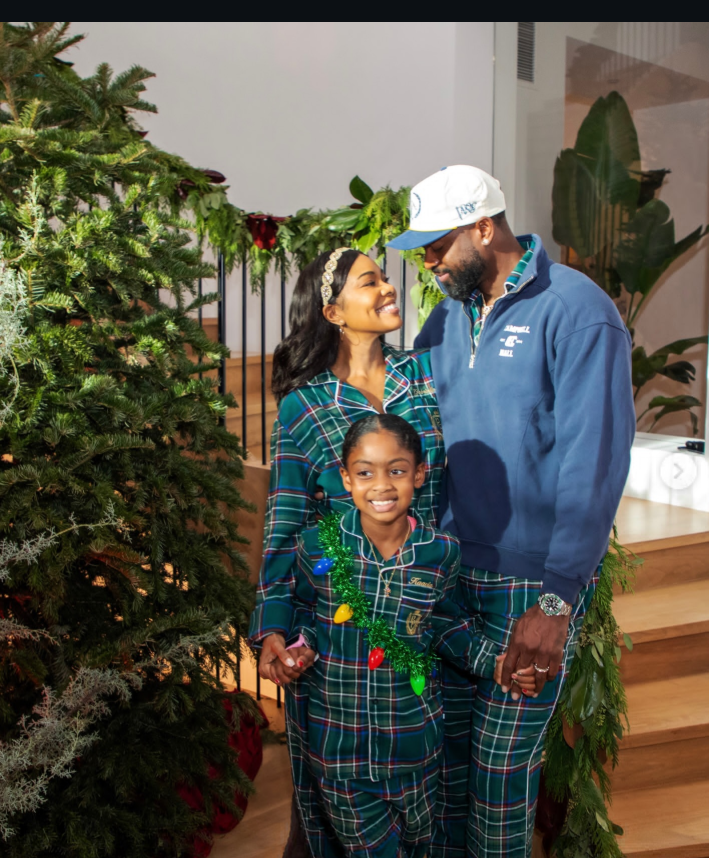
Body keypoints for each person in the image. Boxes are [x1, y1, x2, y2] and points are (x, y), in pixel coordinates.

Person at [386, 165, 635, 858]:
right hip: (447, 574)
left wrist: (556, 603)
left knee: (499, 781)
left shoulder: (577, 311)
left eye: (437, 245)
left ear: (483, 227)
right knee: (447, 771)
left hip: (530, 586)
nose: (427, 262)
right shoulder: (446, 316)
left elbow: (595, 462)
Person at [248, 247, 447, 858]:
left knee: (427, 803)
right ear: (333, 311)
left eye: (385, 277)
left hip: (423, 610)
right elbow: (284, 525)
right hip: (338, 625)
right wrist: (271, 629)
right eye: (370, 281)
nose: (388, 288)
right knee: (334, 809)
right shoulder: (304, 407)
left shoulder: (427, 376)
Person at [279, 414, 537, 858]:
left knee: (418, 847)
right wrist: (299, 649)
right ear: (346, 478)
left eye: (396, 470)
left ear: (419, 474)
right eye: (365, 473)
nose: (382, 485)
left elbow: (445, 625)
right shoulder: (316, 545)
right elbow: (305, 611)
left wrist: (494, 664)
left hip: (413, 747)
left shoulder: (440, 553)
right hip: (340, 752)